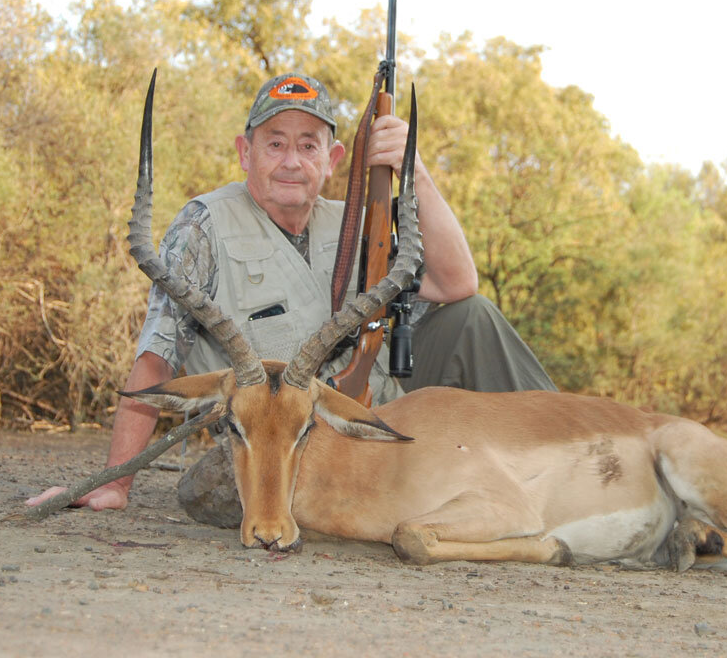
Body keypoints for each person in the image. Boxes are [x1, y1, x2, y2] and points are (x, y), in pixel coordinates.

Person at [27, 73, 556, 518]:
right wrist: (115, 482)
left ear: (333, 158)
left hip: (380, 413)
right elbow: (156, 355)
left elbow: (457, 284)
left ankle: (573, 459)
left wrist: (412, 170)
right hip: (278, 440)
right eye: (275, 142)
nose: (290, 161)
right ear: (245, 152)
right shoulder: (204, 226)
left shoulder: (356, 220)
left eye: (308, 145)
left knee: (474, 317)